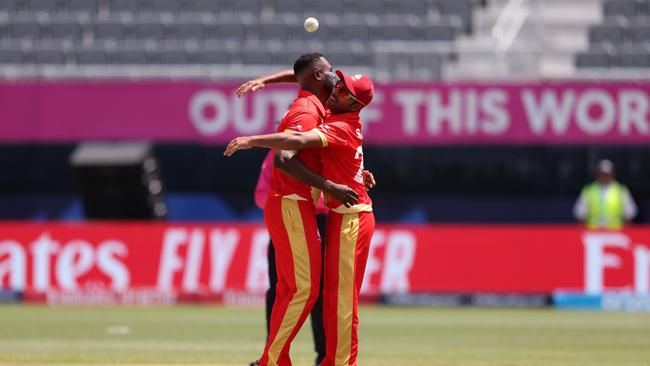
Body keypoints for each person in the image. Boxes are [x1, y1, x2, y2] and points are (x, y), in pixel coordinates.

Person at [225, 69, 376, 366]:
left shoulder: (339, 125)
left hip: (351, 219)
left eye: (345, 91)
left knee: (339, 301)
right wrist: (266, 81)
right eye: (339, 83)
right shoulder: (335, 113)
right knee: (323, 296)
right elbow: (308, 74)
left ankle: (339, 363)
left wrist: (251, 140)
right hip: (338, 216)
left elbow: (291, 145)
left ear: (356, 105)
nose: (337, 90)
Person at [573, 159, 638, 230]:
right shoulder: (588, 190)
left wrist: (627, 232)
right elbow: (580, 215)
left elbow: (629, 215)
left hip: (615, 233)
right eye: (602, 174)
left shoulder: (621, 191)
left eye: (607, 174)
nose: (604, 176)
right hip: (593, 233)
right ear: (598, 174)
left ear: (612, 174)